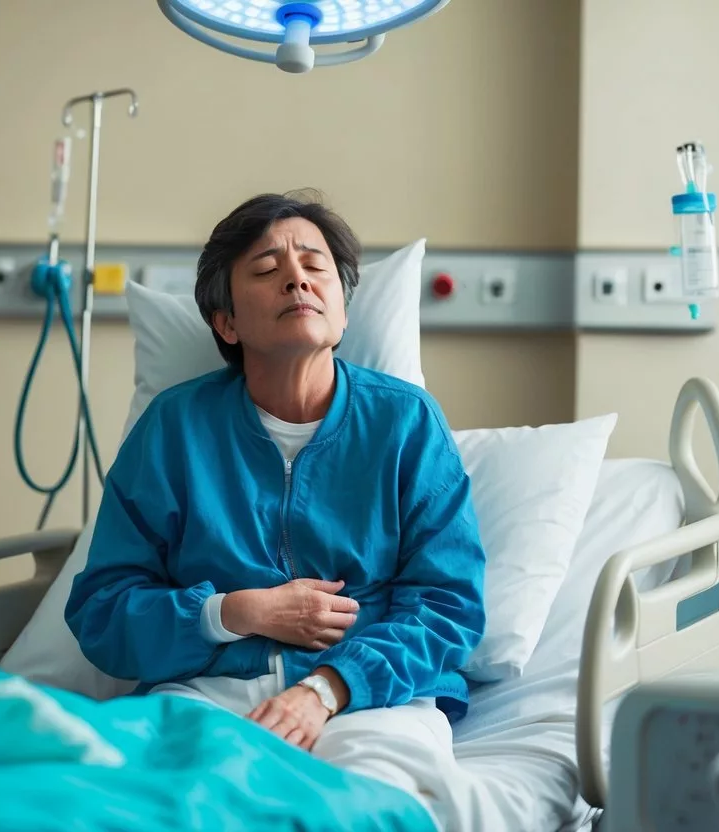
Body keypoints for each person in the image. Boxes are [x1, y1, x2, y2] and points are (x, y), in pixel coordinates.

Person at [64, 190, 487, 820]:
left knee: (372, 812)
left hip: (369, 701)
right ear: (226, 323)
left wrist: (325, 688)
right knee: (134, 808)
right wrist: (232, 612)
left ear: (342, 312)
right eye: (267, 270)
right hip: (203, 695)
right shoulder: (175, 429)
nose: (296, 278)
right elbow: (103, 609)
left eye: (315, 267)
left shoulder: (405, 425)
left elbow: (448, 607)